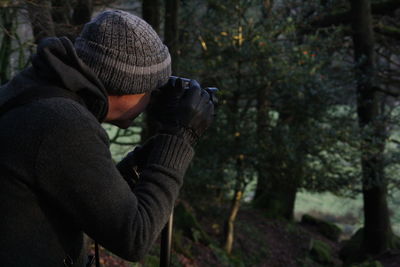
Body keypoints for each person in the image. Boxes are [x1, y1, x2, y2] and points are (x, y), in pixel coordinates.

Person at [0, 10, 215, 267]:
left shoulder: (35, 93)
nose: (152, 99)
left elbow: (89, 195)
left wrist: (154, 153)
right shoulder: (62, 122)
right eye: (151, 89)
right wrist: (181, 136)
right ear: (127, 86)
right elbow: (134, 237)